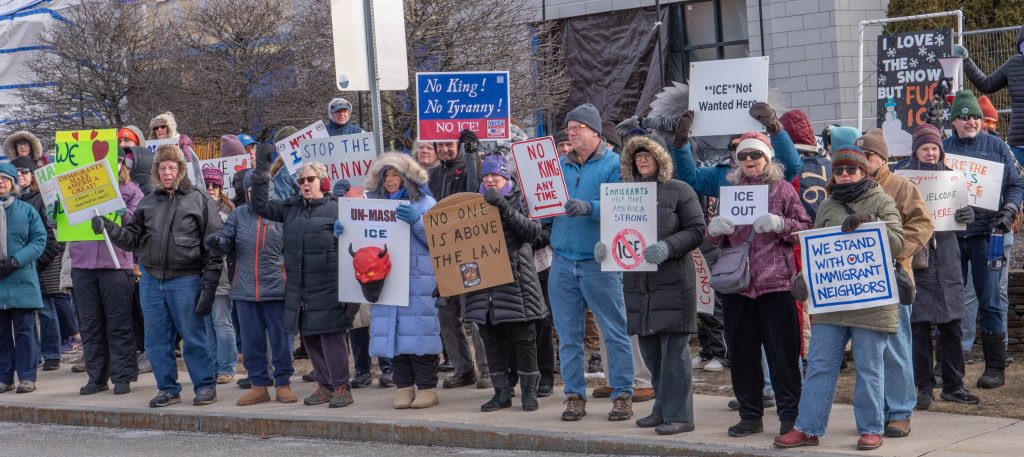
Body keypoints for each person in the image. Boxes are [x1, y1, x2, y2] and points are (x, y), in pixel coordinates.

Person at [776, 146, 904, 451]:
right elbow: (818, 253)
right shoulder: (827, 206)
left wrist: (868, 225)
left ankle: (871, 427)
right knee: (819, 365)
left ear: (864, 171)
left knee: (869, 367)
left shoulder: (882, 200)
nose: (844, 175)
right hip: (832, 302)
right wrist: (804, 279)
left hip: (870, 301)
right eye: (839, 170)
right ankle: (808, 427)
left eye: (851, 170)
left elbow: (899, 243)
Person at [94, 144, 223, 408]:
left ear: (181, 169)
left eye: (171, 167)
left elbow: (214, 247)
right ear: (156, 170)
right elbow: (131, 240)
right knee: (156, 340)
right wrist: (109, 227)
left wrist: (209, 287)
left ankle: (205, 385)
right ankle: (167, 388)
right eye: (162, 167)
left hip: (186, 280)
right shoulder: (148, 201)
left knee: (194, 337)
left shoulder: (199, 199)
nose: (166, 172)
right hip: (152, 281)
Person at [704, 132, 811, 438]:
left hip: (776, 284)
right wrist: (715, 229)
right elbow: (717, 238)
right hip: (740, 285)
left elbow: (804, 227)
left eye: (755, 155)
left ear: (767, 158)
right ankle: (750, 413)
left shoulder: (782, 190)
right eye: (743, 157)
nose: (749, 161)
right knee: (742, 354)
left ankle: (791, 414)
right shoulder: (731, 190)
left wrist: (781, 225)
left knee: (783, 355)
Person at [604, 135, 705, 435]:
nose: (642, 160)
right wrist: (605, 249)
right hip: (639, 285)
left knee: (674, 354)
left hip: (673, 283)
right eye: (637, 156)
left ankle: (681, 415)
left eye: (648, 155)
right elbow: (617, 232)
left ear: (661, 158)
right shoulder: (624, 193)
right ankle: (661, 409)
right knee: (651, 353)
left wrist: (668, 247)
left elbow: (697, 230)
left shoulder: (680, 190)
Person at [250, 146, 357, 408]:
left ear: (322, 181)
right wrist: (262, 173)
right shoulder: (291, 208)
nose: (305, 184)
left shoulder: (339, 208)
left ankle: (342, 386)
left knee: (332, 339)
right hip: (300, 287)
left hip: (330, 285)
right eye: (301, 180)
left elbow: (357, 242)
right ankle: (324, 385)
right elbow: (260, 205)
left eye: (310, 179)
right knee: (310, 338)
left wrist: (349, 229)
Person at [549, 103, 634, 422]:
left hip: (600, 262)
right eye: (568, 129)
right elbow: (542, 198)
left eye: (577, 128)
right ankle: (573, 395)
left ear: (595, 132)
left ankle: (622, 393)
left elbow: (624, 203)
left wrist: (590, 208)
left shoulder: (615, 164)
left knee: (614, 331)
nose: (571, 133)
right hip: (562, 261)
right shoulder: (558, 166)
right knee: (568, 335)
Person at [892, 124, 981, 409]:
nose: (930, 153)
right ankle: (924, 387)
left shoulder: (953, 179)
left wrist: (969, 215)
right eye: (924, 148)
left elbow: (966, 223)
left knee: (952, 323)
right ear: (915, 151)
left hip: (948, 255)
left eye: (934, 148)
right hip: (917, 257)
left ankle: (954, 385)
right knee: (919, 327)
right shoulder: (904, 181)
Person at [854, 128, 934, 438]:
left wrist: (897, 251)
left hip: (893, 278)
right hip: (861, 280)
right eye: (861, 155)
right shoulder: (853, 187)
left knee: (896, 347)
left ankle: (900, 411)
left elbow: (922, 224)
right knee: (868, 353)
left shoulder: (901, 186)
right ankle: (878, 413)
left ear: (882, 158)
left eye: (869, 155)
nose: (864, 161)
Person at [944, 90, 1024, 389]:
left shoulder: (998, 147)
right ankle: (948, 364)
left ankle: (995, 366)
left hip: (989, 236)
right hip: (952, 236)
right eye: (965, 116)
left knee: (990, 299)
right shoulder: (943, 149)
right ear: (954, 121)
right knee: (949, 299)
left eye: (975, 116)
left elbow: (1017, 184)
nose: (971, 121)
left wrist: (1009, 211)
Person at [351, 153, 442, 409]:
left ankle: (427, 388)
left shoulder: (426, 203)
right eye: (386, 175)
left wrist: (418, 223)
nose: (390, 180)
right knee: (394, 336)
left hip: (418, 282)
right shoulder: (372, 206)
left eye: (395, 174)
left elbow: (438, 242)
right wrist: (345, 231)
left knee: (420, 336)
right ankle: (403, 386)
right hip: (387, 280)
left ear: (407, 177)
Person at [463, 153, 545, 412]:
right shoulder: (471, 204)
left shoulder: (520, 198)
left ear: (505, 177)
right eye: (486, 175)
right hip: (483, 286)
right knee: (492, 341)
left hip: (516, 283)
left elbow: (532, 233)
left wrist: (504, 207)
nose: (489, 179)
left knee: (524, 340)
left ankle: (529, 392)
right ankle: (501, 393)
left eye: (495, 175)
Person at [206, 170, 295, 405]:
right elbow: (226, 238)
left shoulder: (281, 214)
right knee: (251, 342)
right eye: (249, 190)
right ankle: (258, 385)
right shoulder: (238, 215)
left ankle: (283, 383)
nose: (253, 194)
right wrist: (217, 243)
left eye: (258, 189)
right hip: (245, 291)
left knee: (281, 341)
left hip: (277, 289)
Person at [70, 149, 143, 395]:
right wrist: (55, 214)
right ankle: (97, 377)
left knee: (118, 323)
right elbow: (63, 225)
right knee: (90, 324)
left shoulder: (131, 191)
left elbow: (138, 225)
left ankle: (122, 376)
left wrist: (123, 213)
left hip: (115, 264)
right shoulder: (77, 187)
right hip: (83, 264)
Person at [428, 130, 489, 390]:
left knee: (475, 313)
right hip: (443, 254)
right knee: (445, 311)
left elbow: (476, 192)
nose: (444, 149)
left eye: (449, 144)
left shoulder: (469, 167)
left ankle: (487, 369)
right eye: (440, 144)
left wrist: (473, 152)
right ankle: (463, 368)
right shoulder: (433, 175)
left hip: (469, 251)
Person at [669, 103, 803, 198]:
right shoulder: (723, 174)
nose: (746, 156)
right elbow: (691, 179)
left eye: (754, 152)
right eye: (734, 147)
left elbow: (792, 165)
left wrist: (776, 129)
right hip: (736, 236)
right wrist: (681, 145)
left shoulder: (772, 173)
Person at [11, 156, 65, 370]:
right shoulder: (13, 202)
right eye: (16, 173)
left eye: (24, 172)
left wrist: (36, 262)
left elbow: (52, 239)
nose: (20, 176)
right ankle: (32, 356)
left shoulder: (43, 199)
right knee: (25, 316)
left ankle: (51, 354)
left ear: (33, 174)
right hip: (22, 267)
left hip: (43, 264)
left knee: (47, 311)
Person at [0, 163, 47, 393]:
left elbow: (39, 240)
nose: (1, 182)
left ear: (13, 183)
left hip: (22, 279)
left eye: (5, 178)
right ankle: (4, 377)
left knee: (25, 332)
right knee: (1, 334)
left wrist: (16, 260)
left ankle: (27, 377)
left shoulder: (26, 210)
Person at [955, 31, 1024, 163]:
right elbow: (987, 84)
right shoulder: (1014, 64)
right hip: (1018, 145)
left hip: (1018, 142)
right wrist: (966, 60)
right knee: (1017, 183)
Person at [201, 168, 238, 385]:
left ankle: (227, 367)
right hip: (200, 272)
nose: (211, 189)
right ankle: (215, 366)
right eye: (207, 185)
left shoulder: (228, 210)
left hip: (221, 273)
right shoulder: (196, 207)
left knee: (221, 321)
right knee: (207, 323)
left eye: (215, 185)